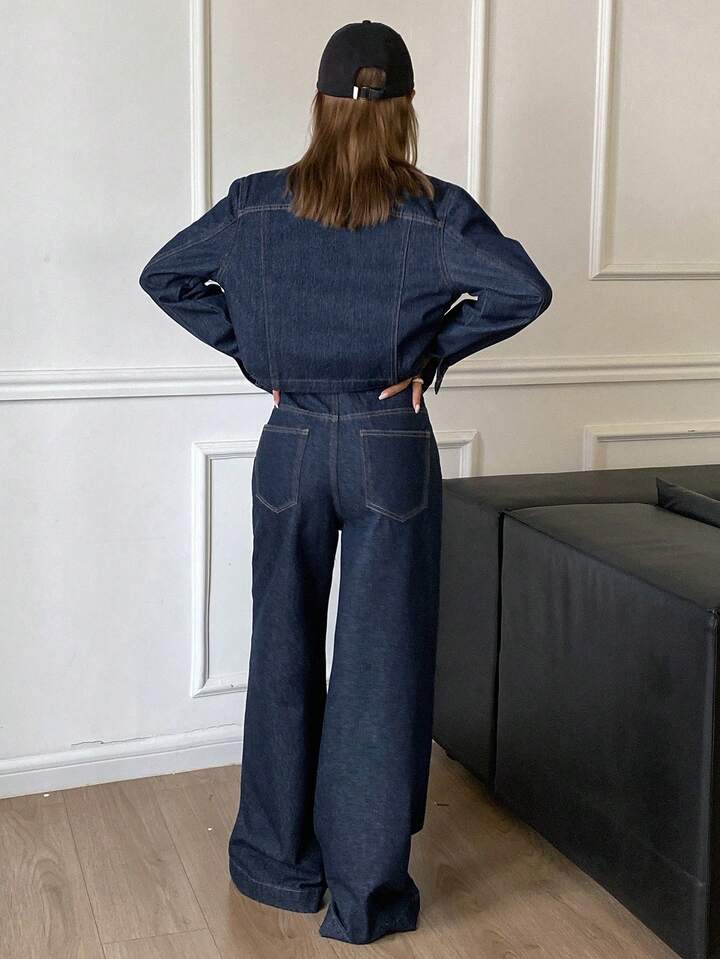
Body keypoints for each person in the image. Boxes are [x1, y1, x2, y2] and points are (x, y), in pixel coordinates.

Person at [138, 18, 552, 945]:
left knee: (281, 647)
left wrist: (259, 356)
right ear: (406, 110)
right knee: (381, 666)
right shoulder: (436, 214)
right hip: (387, 443)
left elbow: (167, 276)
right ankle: (365, 894)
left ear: (319, 106)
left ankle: (277, 866)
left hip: (290, 441)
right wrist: (432, 353)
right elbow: (523, 289)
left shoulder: (254, 205)